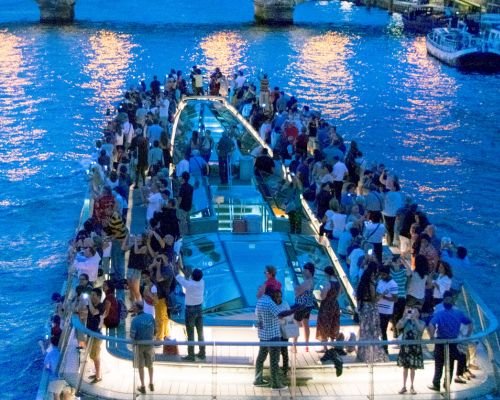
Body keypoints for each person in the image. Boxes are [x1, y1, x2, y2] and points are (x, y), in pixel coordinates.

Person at [427, 292, 473, 392]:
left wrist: (431, 337)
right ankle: (447, 384)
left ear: (443, 301)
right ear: (452, 301)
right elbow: (469, 322)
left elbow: (431, 324)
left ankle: (436, 384)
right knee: (450, 364)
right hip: (453, 342)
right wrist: (467, 335)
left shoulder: (439, 314)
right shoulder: (458, 313)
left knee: (438, 364)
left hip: (440, 341)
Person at [253, 286, 288, 390]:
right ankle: (275, 384)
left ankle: (257, 380)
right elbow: (280, 315)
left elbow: (258, 317)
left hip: (263, 336)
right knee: (274, 361)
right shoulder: (269, 303)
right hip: (273, 336)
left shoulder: (260, 302)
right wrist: (294, 309)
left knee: (261, 358)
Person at [356, 262, 388, 363]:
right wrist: (382, 295)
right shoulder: (370, 284)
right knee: (372, 331)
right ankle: (373, 355)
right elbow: (374, 299)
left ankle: (363, 354)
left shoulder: (362, 282)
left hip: (363, 308)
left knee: (364, 332)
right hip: (371, 309)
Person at [176, 266, 205, 361]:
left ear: (193, 276)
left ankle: (191, 355)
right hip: (199, 309)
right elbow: (188, 279)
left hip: (190, 310)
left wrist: (176, 267)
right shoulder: (201, 282)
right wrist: (186, 274)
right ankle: (202, 353)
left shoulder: (189, 285)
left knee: (190, 333)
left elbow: (178, 277)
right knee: (200, 332)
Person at [396, 306, 425, 395]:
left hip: (415, 348)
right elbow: (398, 326)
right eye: (412, 311)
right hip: (406, 347)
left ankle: (412, 386)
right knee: (405, 368)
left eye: (415, 312)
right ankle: (404, 386)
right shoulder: (406, 321)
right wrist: (404, 317)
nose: (413, 313)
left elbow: (420, 329)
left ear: (419, 314)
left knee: (413, 368)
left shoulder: (421, 322)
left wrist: (415, 319)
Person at [130, 301, 156, 394]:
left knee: (140, 366)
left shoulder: (135, 321)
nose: (132, 307)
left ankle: (143, 386)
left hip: (139, 346)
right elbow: (155, 330)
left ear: (137, 308)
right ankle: (151, 383)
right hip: (149, 344)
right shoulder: (150, 317)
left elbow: (132, 336)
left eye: (133, 306)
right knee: (150, 365)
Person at [316, 266, 341, 352]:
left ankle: (325, 347)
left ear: (326, 273)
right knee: (333, 324)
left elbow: (322, 297)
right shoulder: (338, 283)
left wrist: (321, 290)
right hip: (335, 305)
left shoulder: (328, 283)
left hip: (326, 306)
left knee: (324, 324)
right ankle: (332, 344)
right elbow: (338, 295)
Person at [376, 264, 398, 354]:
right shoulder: (380, 281)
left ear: (388, 274)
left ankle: (385, 349)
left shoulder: (393, 284)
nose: (382, 276)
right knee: (379, 329)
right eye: (381, 275)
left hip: (386, 311)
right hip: (378, 309)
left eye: (383, 275)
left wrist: (383, 297)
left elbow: (395, 299)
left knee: (383, 329)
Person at [293, 262, 315, 352]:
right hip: (308, 305)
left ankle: (294, 345)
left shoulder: (307, 282)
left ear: (309, 271)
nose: (303, 271)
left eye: (305, 270)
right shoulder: (312, 281)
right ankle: (306, 345)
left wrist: (296, 287)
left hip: (302, 306)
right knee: (306, 324)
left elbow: (298, 292)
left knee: (296, 324)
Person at [86, 288, 104, 384]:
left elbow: (93, 312)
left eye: (93, 295)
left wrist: (88, 301)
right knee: (93, 355)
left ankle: (98, 376)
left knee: (95, 356)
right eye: (91, 295)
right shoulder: (90, 305)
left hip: (96, 335)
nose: (91, 297)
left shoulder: (101, 306)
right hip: (90, 333)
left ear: (99, 297)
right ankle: (97, 372)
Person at [176, 171, 193, 236]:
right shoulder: (190, 187)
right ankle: (190, 232)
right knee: (188, 221)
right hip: (189, 206)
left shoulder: (182, 187)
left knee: (182, 221)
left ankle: (183, 234)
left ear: (182, 178)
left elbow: (180, 198)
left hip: (183, 207)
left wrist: (177, 206)